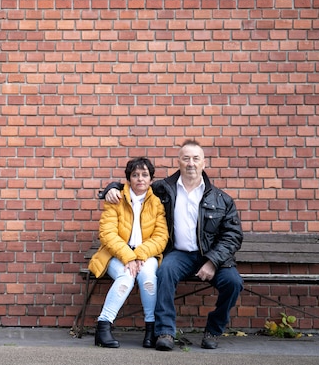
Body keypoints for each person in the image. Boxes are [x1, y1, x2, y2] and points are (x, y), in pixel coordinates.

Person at [102, 140, 243, 351]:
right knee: (165, 271)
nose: (191, 163)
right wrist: (111, 188)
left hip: (211, 256)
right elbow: (137, 186)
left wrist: (213, 262)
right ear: (179, 162)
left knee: (234, 283)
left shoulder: (221, 199)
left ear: (204, 163)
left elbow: (233, 235)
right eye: (186, 158)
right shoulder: (164, 189)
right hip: (180, 254)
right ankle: (165, 332)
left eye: (196, 159)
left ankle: (213, 329)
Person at [89, 157, 168, 349]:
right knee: (126, 276)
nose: (140, 179)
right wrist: (129, 257)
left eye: (144, 175)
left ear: (151, 179)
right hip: (116, 255)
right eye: (135, 175)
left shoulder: (157, 203)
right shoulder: (116, 199)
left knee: (148, 277)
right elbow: (107, 234)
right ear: (128, 178)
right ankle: (103, 326)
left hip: (145, 255)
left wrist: (139, 255)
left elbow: (161, 236)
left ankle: (151, 331)